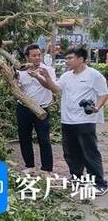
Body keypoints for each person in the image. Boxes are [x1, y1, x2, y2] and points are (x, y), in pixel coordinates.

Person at [32, 46, 108, 195]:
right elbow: (55, 89)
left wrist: (97, 107)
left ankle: (99, 183)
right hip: (67, 120)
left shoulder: (94, 75)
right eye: (66, 58)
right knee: (71, 152)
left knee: (89, 152)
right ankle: (77, 178)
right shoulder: (67, 76)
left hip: (85, 120)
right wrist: (44, 76)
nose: (67, 60)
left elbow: (103, 93)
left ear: (81, 59)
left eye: (70, 58)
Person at [16, 44, 55, 174]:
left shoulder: (48, 70)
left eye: (39, 55)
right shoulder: (20, 71)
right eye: (34, 55)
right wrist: (16, 83)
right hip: (24, 108)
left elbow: (52, 87)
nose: (37, 57)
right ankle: (30, 165)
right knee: (24, 138)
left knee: (44, 139)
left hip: (42, 110)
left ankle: (46, 169)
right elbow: (16, 89)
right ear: (27, 57)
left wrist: (38, 76)